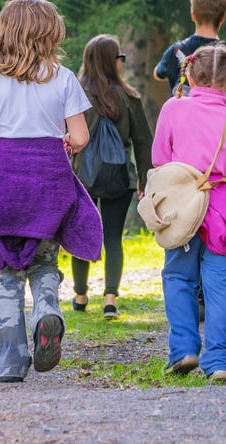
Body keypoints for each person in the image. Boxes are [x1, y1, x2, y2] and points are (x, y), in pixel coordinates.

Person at [0, 0, 103, 384]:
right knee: (43, 262)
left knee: (5, 274)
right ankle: (47, 311)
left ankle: (9, 362)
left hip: (4, 183)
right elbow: (80, 136)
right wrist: (66, 141)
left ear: (6, 33)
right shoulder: (64, 78)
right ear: (50, 36)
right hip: (49, 182)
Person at [150, 44, 226, 382]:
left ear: (187, 75)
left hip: (183, 213)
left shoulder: (172, 110)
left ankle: (184, 350)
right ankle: (219, 362)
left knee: (178, 278)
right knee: (219, 290)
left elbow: (160, 159)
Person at [70, 35, 153, 320]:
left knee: (81, 234)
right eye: (120, 57)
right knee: (113, 238)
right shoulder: (129, 97)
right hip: (119, 177)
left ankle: (80, 295)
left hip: (83, 177)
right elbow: (144, 143)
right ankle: (109, 299)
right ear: (111, 60)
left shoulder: (76, 95)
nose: (122, 61)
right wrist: (145, 180)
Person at [154, 0, 226, 116]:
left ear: (193, 15)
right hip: (219, 132)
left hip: (183, 128)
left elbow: (158, 73)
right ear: (222, 18)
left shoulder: (177, 51)